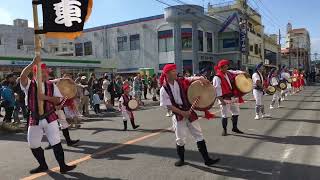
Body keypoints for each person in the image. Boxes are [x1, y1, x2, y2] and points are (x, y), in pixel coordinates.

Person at [20, 56, 76, 174]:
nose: (46, 75)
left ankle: (63, 166)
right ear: (36, 74)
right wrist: (33, 63)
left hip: (50, 117)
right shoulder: (29, 85)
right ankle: (43, 165)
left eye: (46, 73)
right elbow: (23, 76)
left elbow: (57, 101)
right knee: (33, 144)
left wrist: (45, 98)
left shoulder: (51, 85)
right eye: (43, 72)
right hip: (34, 118)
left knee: (56, 142)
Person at [160, 64, 220, 167]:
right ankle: (181, 160)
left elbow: (191, 78)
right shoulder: (164, 89)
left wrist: (201, 78)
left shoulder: (181, 81)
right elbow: (169, 106)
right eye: (173, 71)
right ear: (167, 74)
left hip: (190, 112)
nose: (176, 72)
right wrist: (182, 113)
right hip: (179, 115)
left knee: (199, 135)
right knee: (180, 139)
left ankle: (207, 160)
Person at [212, 59, 246, 136]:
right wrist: (221, 101)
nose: (226, 68)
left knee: (236, 112)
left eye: (227, 66)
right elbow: (217, 90)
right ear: (220, 68)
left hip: (232, 96)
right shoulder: (217, 77)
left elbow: (236, 72)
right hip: (224, 98)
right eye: (224, 67)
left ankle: (234, 128)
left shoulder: (228, 73)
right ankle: (224, 130)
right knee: (225, 115)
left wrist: (244, 73)